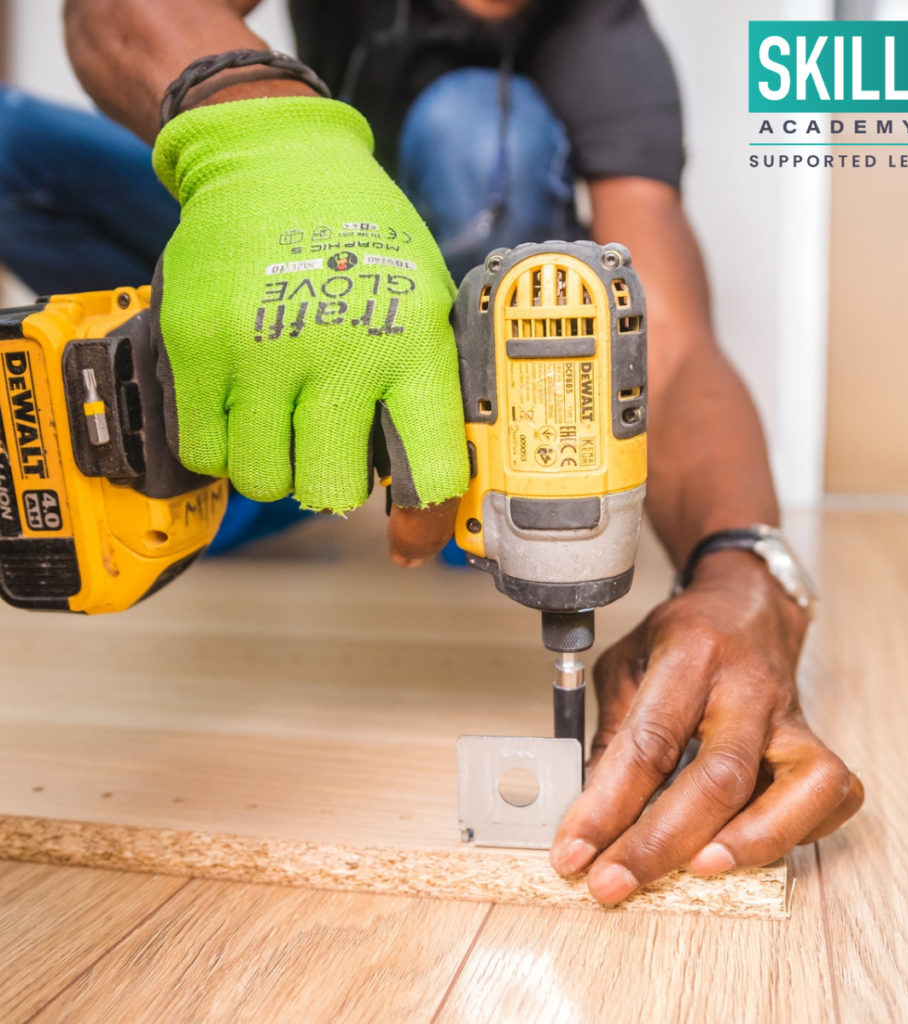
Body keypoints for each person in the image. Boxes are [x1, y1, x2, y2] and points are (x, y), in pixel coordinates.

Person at [0, 0, 863, 904]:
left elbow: (673, 347)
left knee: (475, 126)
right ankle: (255, 429)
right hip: (299, 248)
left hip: (456, 354)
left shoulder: (607, 38)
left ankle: (413, 480)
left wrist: (743, 571)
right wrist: (264, 133)